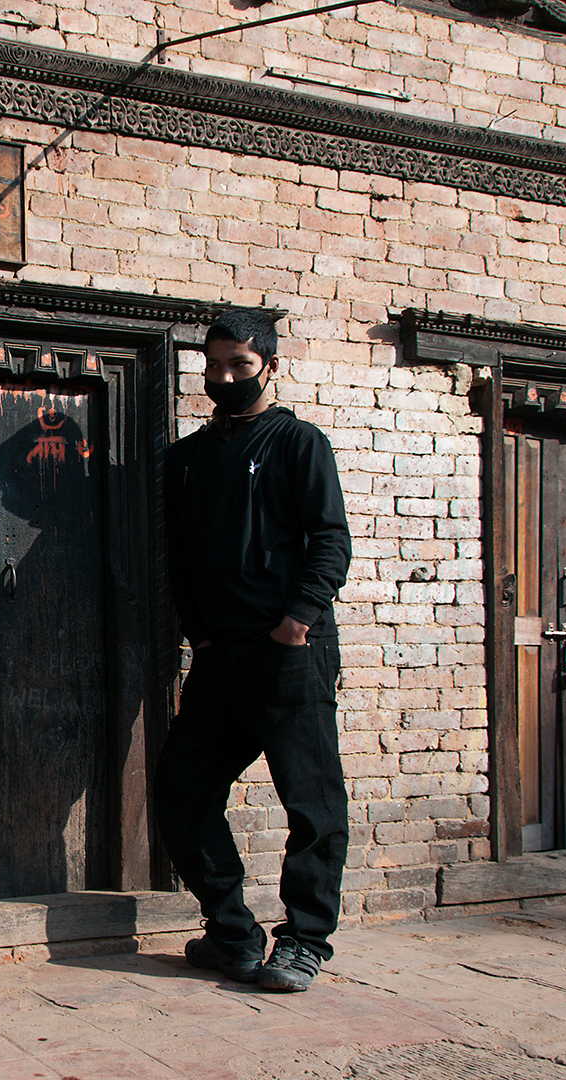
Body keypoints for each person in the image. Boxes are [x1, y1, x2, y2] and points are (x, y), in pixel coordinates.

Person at [156, 308, 351, 993]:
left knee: (312, 804)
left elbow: (330, 540)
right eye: (213, 366)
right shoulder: (185, 459)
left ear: (269, 366)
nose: (225, 377)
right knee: (180, 792)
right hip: (219, 658)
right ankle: (232, 936)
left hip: (289, 653)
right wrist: (199, 633)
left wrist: (296, 623)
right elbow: (179, 557)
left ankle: (304, 942)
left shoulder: (299, 442)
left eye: (239, 364)